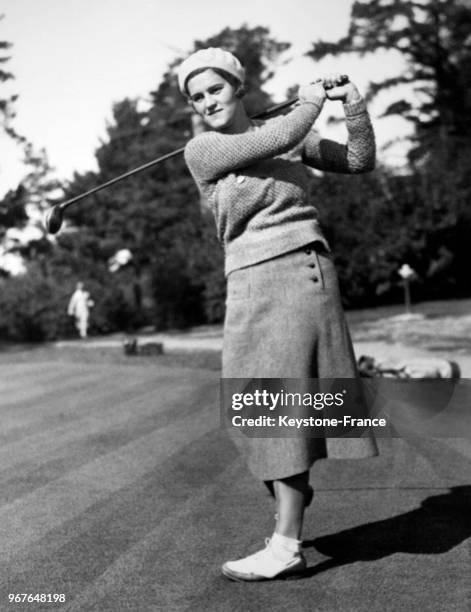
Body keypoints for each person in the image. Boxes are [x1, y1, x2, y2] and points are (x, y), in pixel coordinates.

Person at [178, 47, 378, 582]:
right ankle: (290, 514)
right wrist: (311, 103)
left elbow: (359, 160)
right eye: (196, 97)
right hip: (246, 281)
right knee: (250, 406)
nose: (205, 102)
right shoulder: (205, 149)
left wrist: (351, 105)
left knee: (280, 401)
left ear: (238, 88)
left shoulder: (291, 133)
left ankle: (286, 542)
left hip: (298, 271)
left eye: (214, 89)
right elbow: (274, 138)